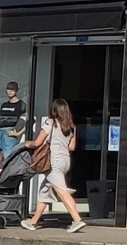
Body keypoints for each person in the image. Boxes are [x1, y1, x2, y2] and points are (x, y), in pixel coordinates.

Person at [22, 98, 88, 231]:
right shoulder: (71, 127)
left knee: (61, 191)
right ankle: (33, 221)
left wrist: (26, 144)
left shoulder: (50, 122)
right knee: (45, 191)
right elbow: (72, 147)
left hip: (53, 162)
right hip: (65, 161)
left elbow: (37, 143)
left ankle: (77, 219)